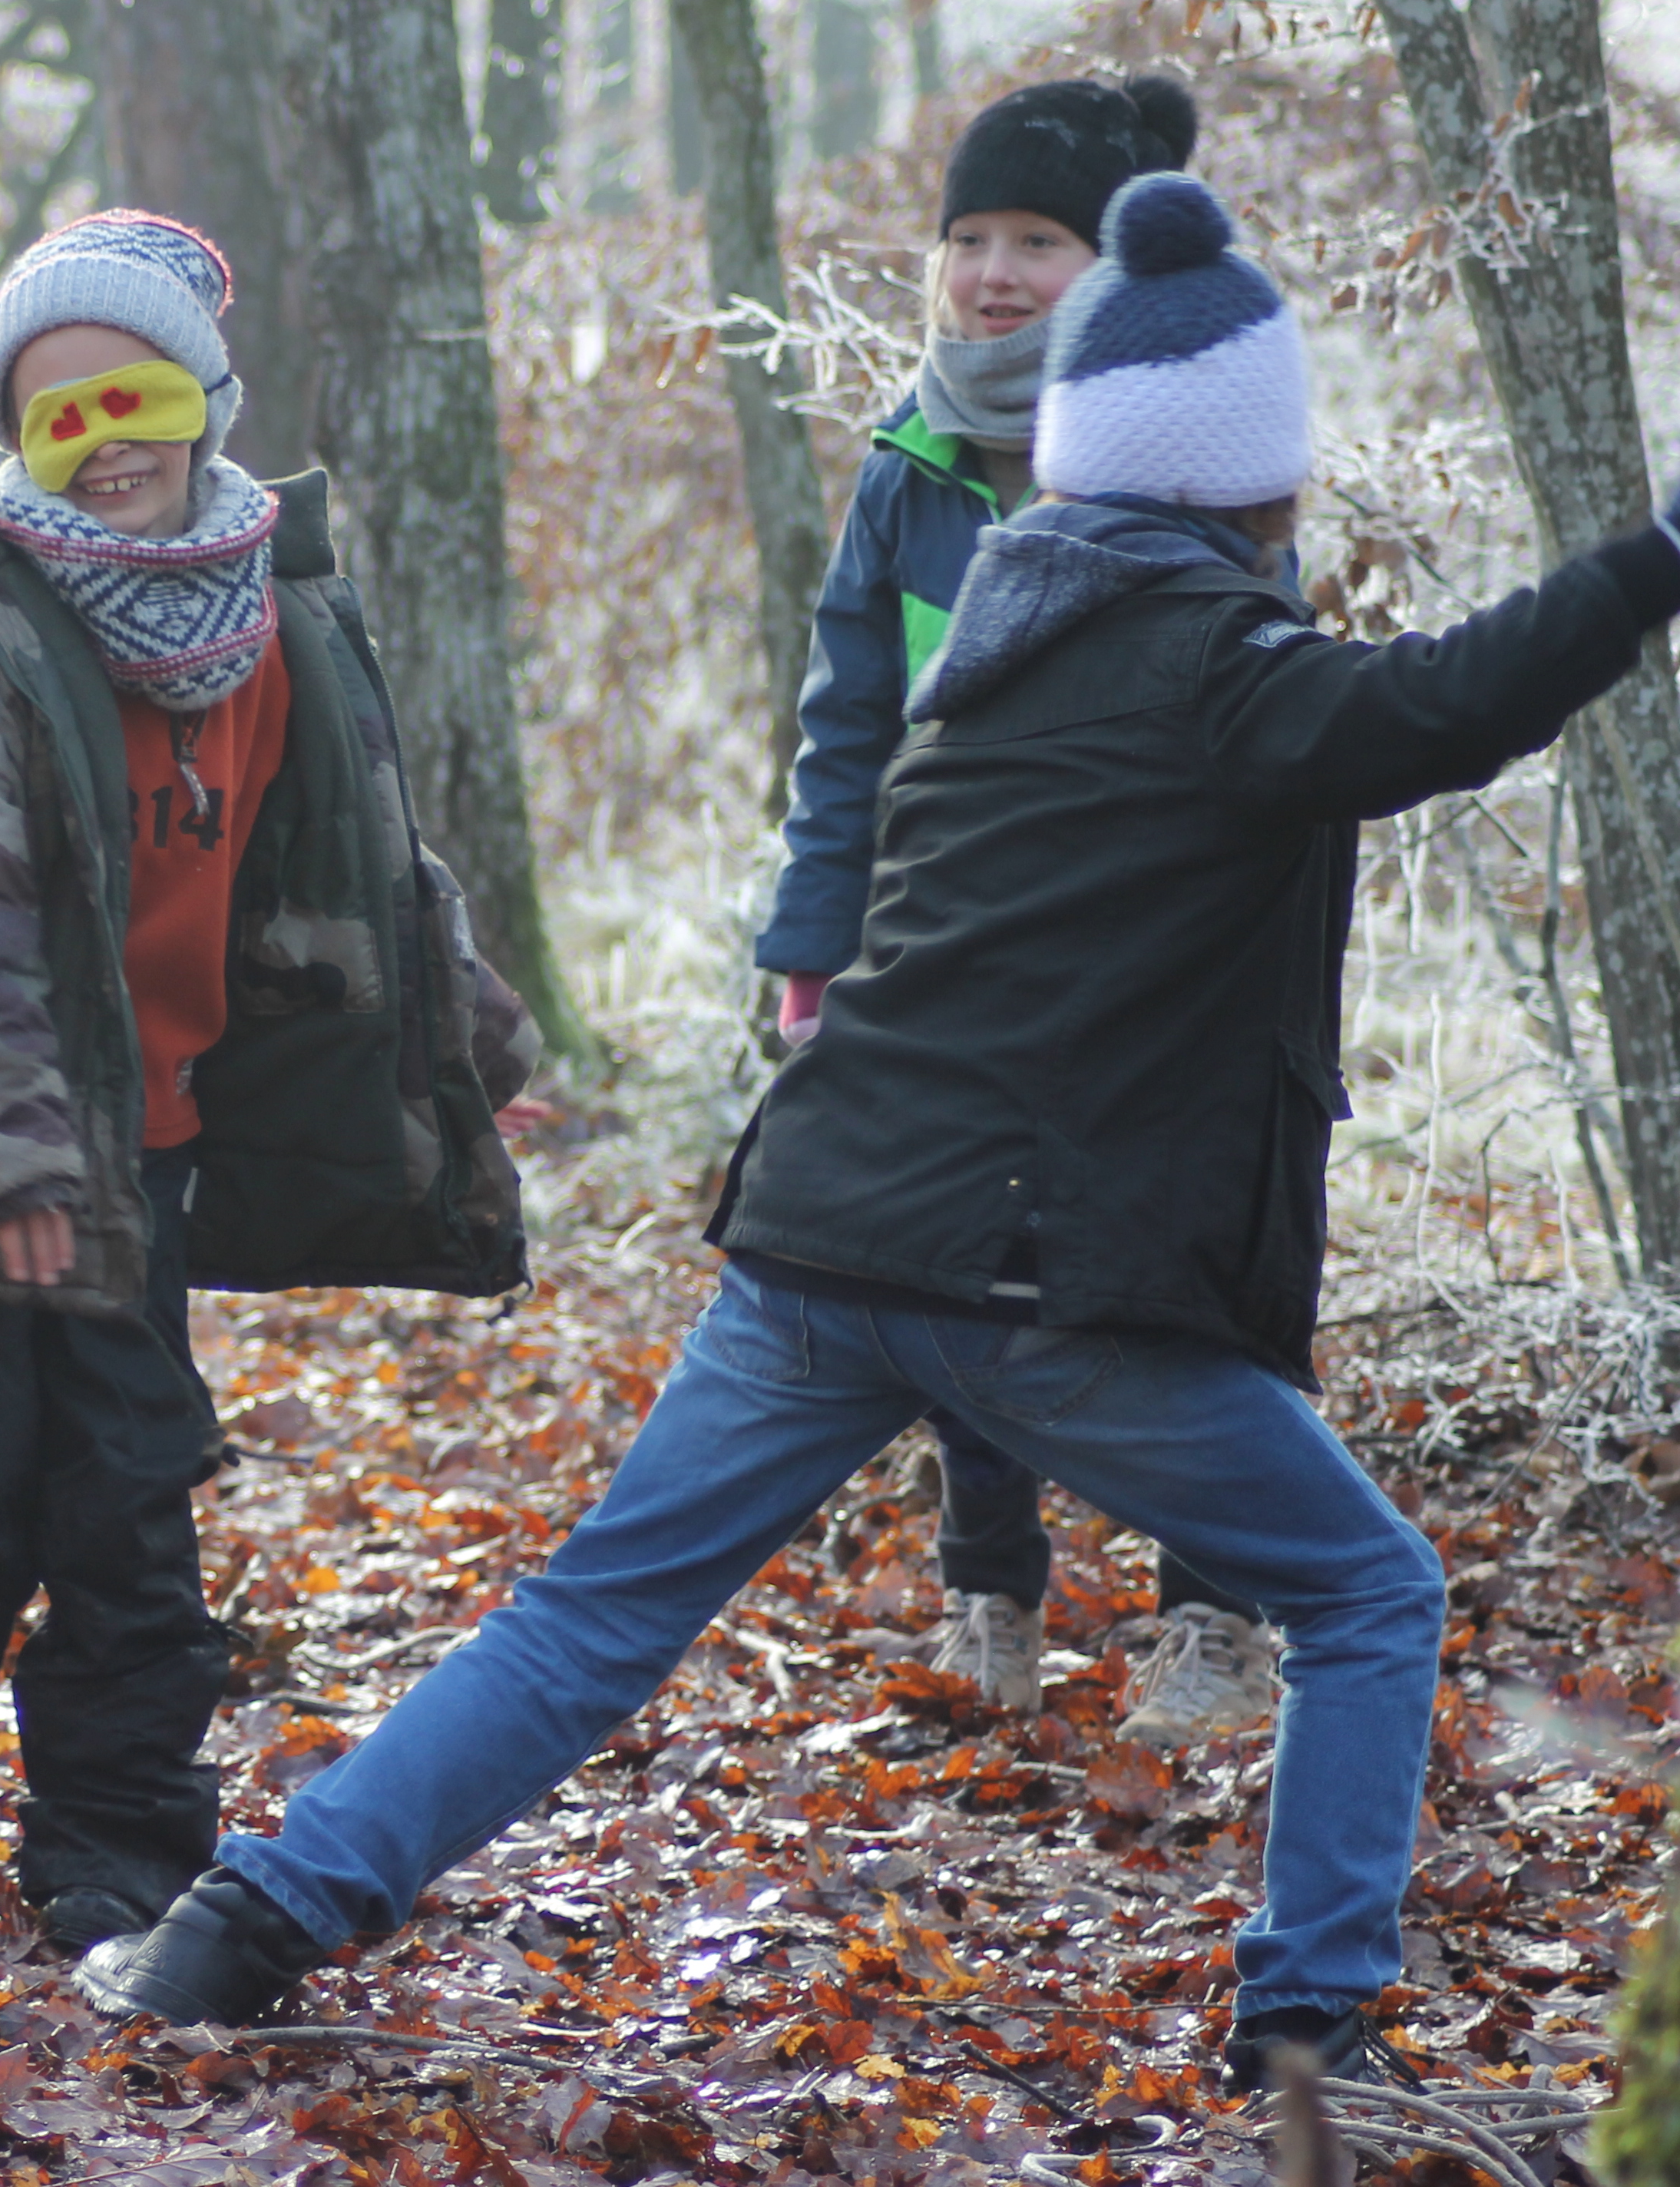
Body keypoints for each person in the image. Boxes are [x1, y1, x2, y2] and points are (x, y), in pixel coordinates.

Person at [81, 173, 1680, 2089]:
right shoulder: (1221, 671)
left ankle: (239, 1922)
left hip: (826, 1232)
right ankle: (1311, 2026)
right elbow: (1454, 701)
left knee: (593, 1615)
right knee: (1370, 1587)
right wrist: (1657, 551)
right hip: (1022, 1269)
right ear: (1254, 482)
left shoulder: (1002, 643)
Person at [0, 210, 539, 1947]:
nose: (107, 444)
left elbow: (353, 859)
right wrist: (16, 1160)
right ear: (17, 450)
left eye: (135, 400)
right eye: (59, 422)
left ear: (204, 402)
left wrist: (468, 1032)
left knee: (128, 1511)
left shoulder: (281, 631)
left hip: (153, 1155)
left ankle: (114, 1836)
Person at [757, 76, 1272, 1746]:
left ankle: (1216, 1616)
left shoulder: (1199, 450)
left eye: (1035, 242)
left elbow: (1259, 710)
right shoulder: (909, 468)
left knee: (1184, 1256)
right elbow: (846, 725)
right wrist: (815, 944)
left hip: (1149, 945)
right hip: (949, 936)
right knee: (948, 1242)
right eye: (968, 238)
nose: (990, 272)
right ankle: (993, 1587)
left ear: (1109, 264)